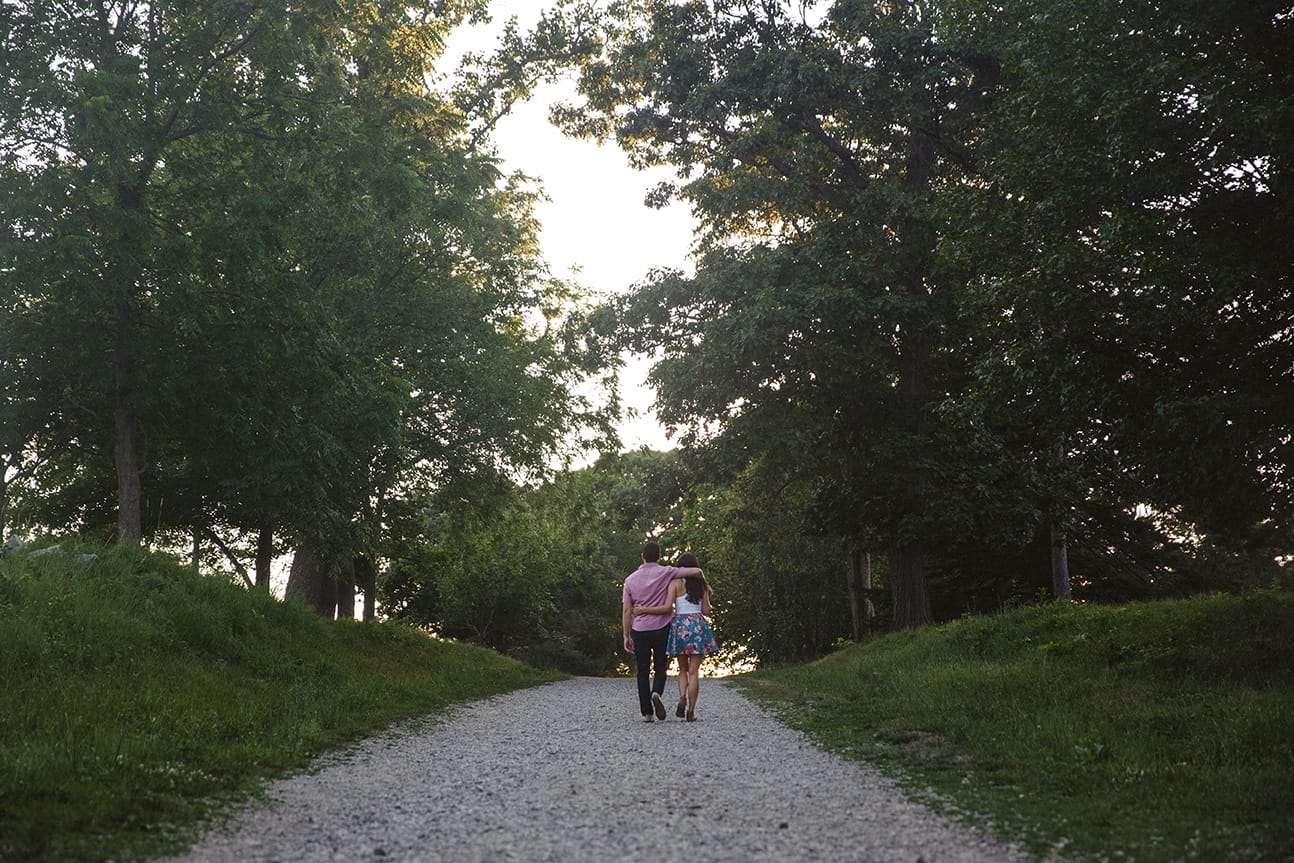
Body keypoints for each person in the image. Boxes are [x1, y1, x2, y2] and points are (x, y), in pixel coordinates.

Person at [622, 541, 703, 722]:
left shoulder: (630, 580)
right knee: (660, 666)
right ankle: (656, 692)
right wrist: (699, 573)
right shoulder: (666, 572)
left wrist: (626, 635)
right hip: (661, 627)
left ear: (643, 556)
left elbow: (627, 610)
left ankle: (647, 713)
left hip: (639, 629)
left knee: (642, 670)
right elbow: (693, 572)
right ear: (659, 556)